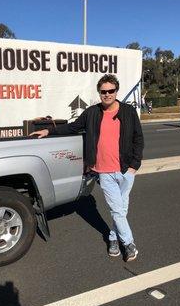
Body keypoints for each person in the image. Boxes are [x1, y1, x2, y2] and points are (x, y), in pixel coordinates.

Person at [30, 74, 144, 262]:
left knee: (121, 209)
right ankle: (129, 244)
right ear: (99, 93)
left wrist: (134, 165)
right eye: (103, 91)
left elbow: (137, 138)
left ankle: (113, 238)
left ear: (116, 91)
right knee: (117, 209)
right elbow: (73, 127)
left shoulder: (128, 112)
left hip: (126, 170)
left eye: (111, 91)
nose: (107, 94)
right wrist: (49, 131)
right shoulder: (92, 113)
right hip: (104, 172)